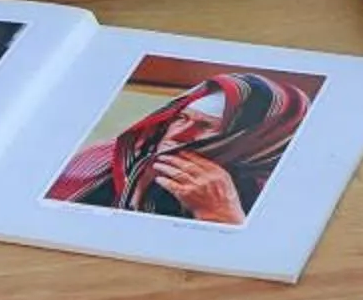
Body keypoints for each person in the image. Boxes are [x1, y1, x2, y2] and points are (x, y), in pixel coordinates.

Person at [45, 70, 313, 226]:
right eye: (181, 118)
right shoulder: (104, 159)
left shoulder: (283, 196)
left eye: (206, 126)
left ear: (257, 141)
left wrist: (220, 213)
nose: (178, 134)